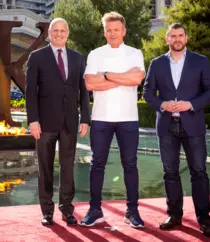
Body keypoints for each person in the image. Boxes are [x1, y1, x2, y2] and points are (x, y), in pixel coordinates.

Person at [142, 23, 210, 237]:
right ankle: (174, 215)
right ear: (167, 39)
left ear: (186, 38)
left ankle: (204, 220)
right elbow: (147, 92)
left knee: (199, 172)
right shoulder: (157, 64)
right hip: (167, 125)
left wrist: (191, 104)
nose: (177, 39)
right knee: (170, 173)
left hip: (192, 123)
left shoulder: (200, 61)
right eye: (173, 36)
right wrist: (162, 104)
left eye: (180, 35)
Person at [82, 12, 146, 228]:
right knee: (97, 165)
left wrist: (106, 75)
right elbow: (90, 84)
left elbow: (136, 78)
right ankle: (95, 209)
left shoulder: (135, 53)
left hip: (128, 118)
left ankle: (132, 211)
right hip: (101, 118)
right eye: (108, 30)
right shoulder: (95, 54)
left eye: (116, 30)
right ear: (104, 31)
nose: (112, 33)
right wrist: (121, 77)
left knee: (130, 165)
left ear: (124, 31)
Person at [25, 18, 91, 227]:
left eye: (63, 31)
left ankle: (67, 209)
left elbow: (84, 92)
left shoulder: (78, 58)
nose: (59, 34)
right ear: (49, 33)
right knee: (45, 167)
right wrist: (33, 120)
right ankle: (47, 211)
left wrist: (85, 119)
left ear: (67, 33)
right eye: (55, 30)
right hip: (44, 124)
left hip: (69, 122)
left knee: (67, 168)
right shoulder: (37, 57)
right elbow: (30, 93)